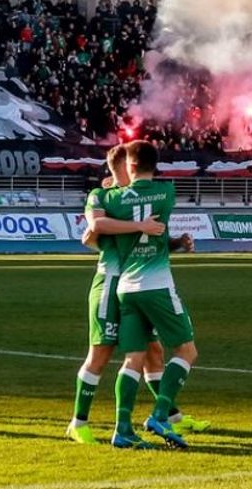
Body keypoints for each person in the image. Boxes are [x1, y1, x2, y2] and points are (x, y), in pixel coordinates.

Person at [66, 144, 182, 446]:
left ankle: (170, 416)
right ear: (121, 168)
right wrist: (136, 225)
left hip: (133, 285)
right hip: (110, 282)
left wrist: (177, 243)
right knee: (101, 354)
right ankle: (79, 422)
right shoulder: (102, 196)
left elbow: (147, 237)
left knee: (150, 352)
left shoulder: (133, 199)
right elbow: (94, 229)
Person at [91, 140, 195, 450]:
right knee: (186, 351)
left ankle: (122, 429)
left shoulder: (112, 199)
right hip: (157, 284)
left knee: (134, 357)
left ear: (130, 165)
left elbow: (98, 223)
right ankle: (161, 415)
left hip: (126, 288)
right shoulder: (167, 192)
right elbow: (156, 228)